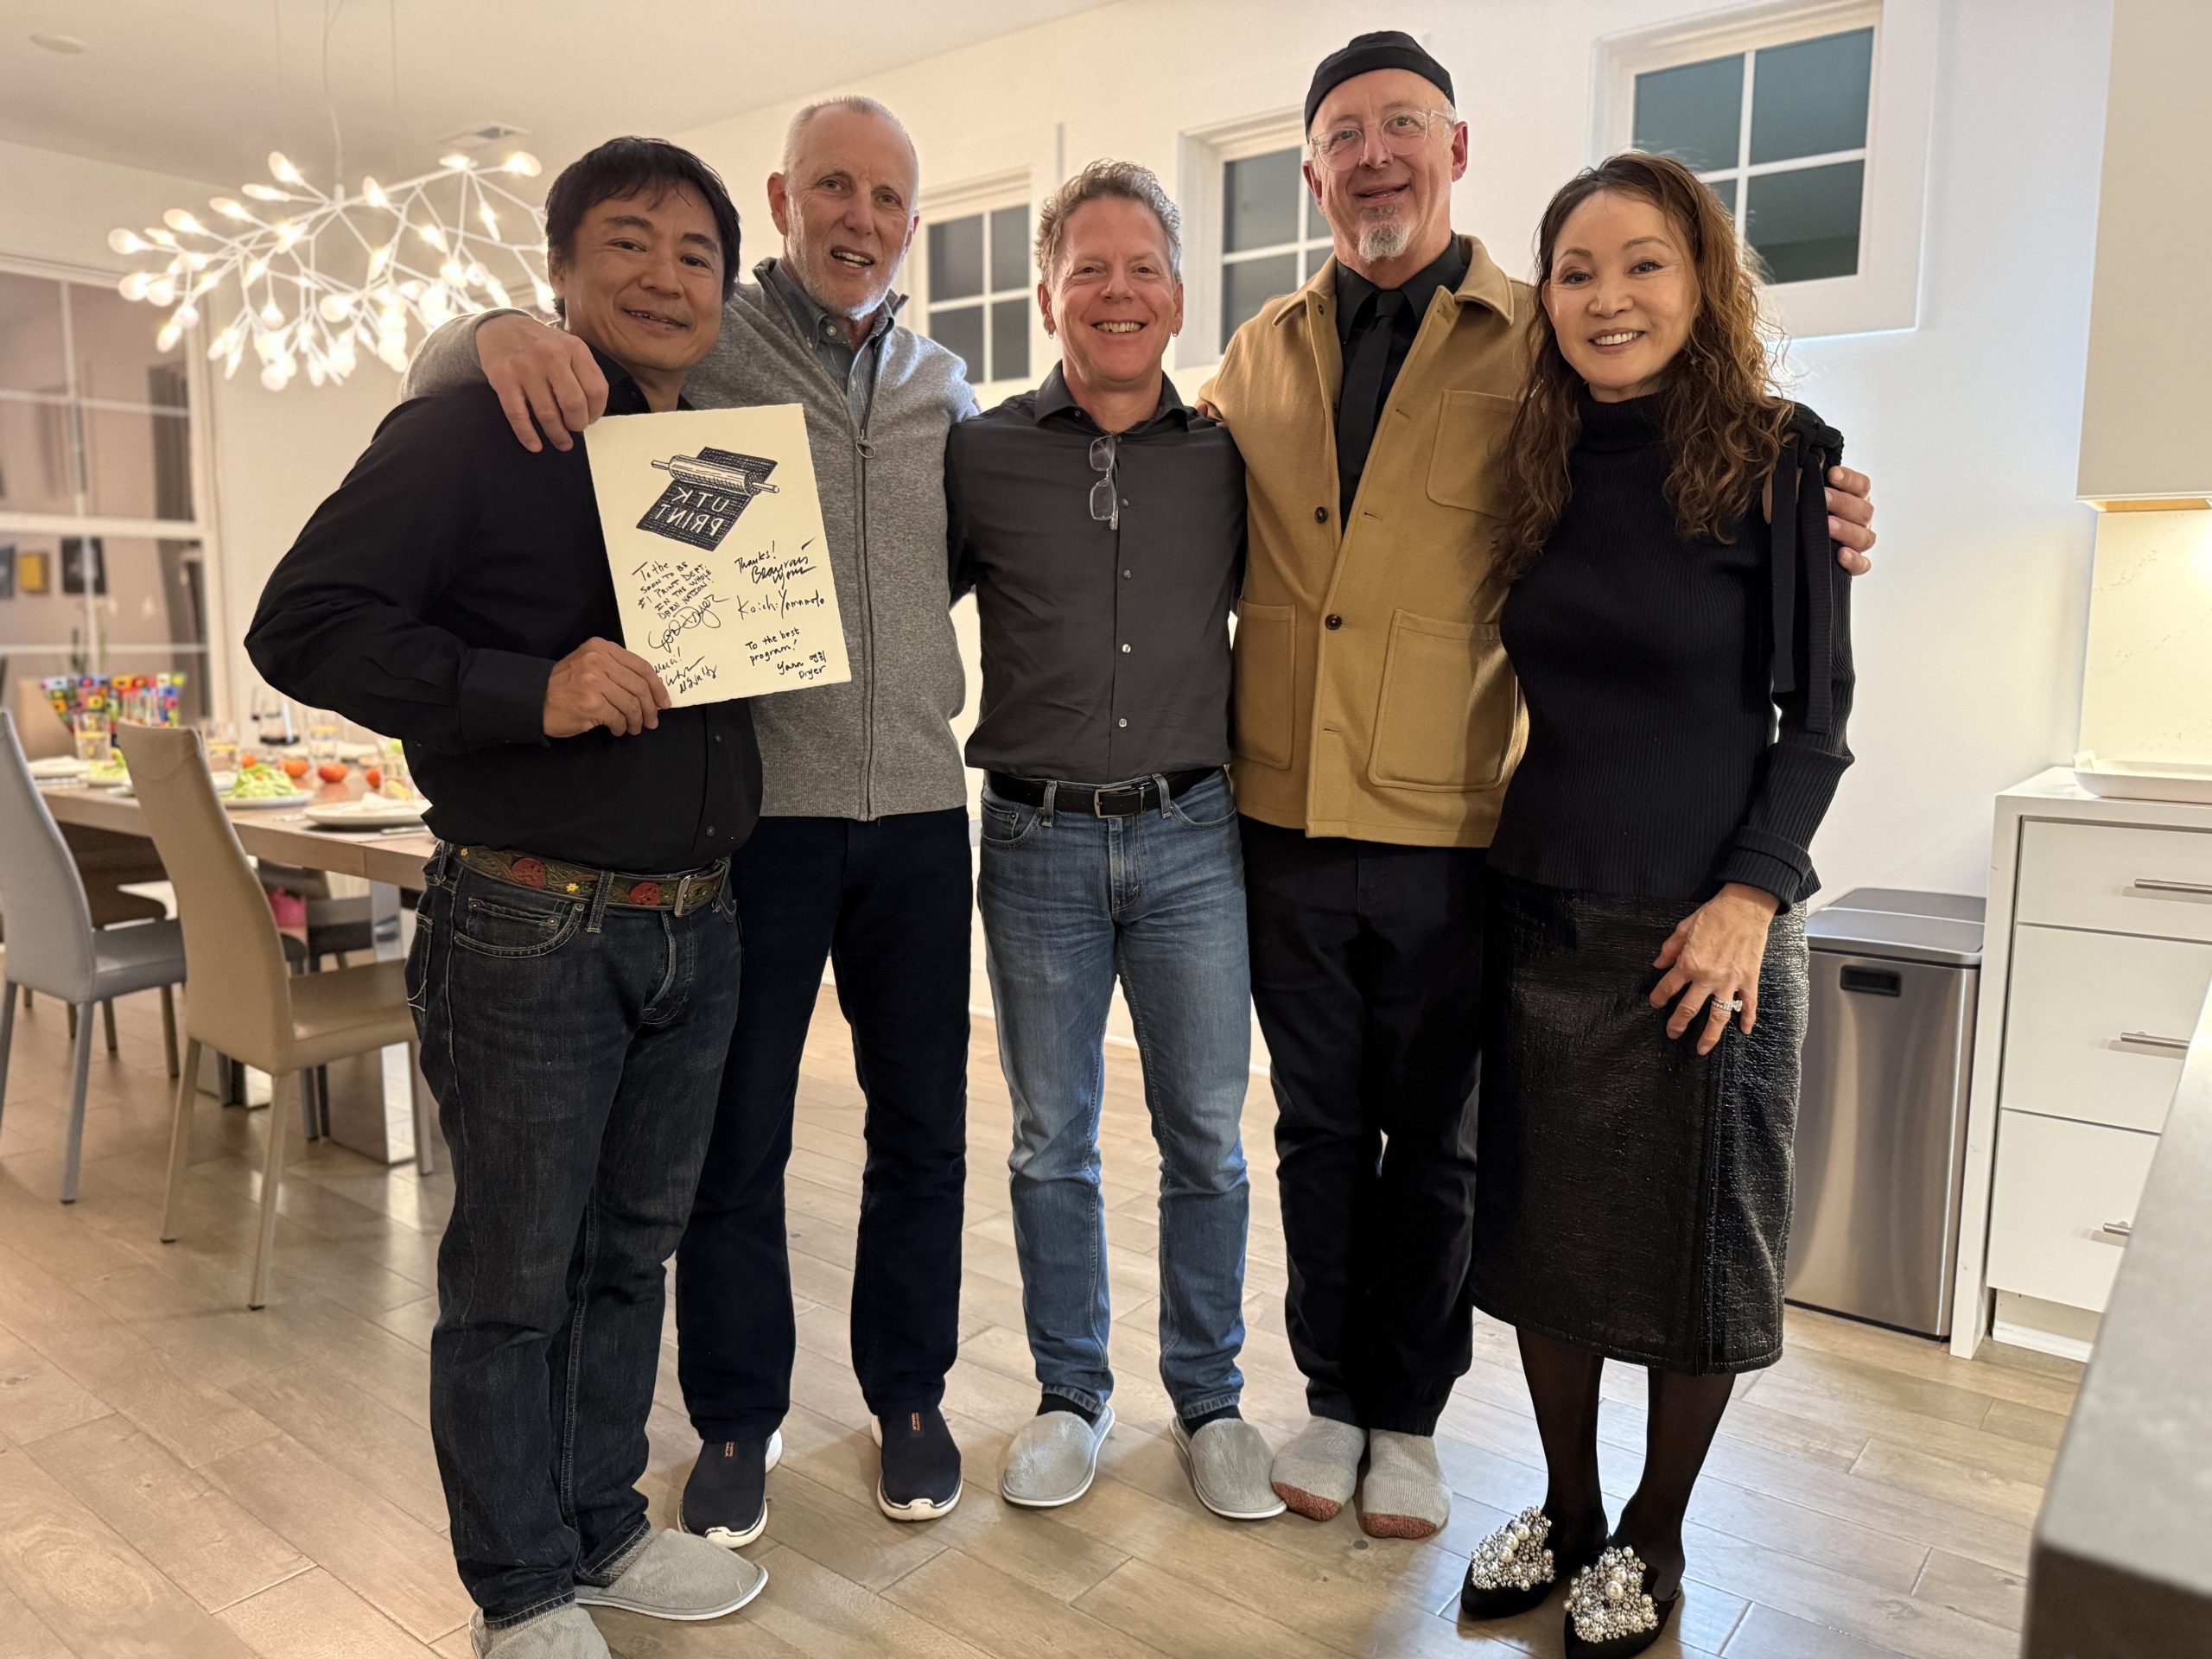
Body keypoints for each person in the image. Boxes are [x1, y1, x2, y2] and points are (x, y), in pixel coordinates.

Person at [1198, 31, 1878, 1541]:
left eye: (1404, 126)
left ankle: (1422, 1423)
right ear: (1312, 168)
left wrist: (1823, 507)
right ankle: (1342, 1397)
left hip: (1464, 827)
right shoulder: (1258, 353)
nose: (1373, 155)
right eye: (1342, 135)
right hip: (1313, 824)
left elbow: (1787, 664)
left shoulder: (1537, 345)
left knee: (1448, 1147)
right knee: (1326, 1133)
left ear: (1455, 149)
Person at [404, 94, 976, 1538]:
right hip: (758, 819)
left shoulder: (946, 388)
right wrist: (489, 328)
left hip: (916, 808)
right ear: (783, 203)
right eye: (833, 188)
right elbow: (475, 369)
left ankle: (911, 1396)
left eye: (889, 198)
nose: (860, 217)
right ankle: (736, 1416)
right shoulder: (704, 336)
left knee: (926, 1131)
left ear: (911, 224)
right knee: (741, 1140)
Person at [247, 137, 766, 1659]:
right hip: (526, 920)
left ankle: (600, 1523)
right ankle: (518, 1584)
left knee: (629, 1252)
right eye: (628, 244)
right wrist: (519, 689)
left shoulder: (717, 456)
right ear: (557, 272)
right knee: (512, 1274)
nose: (665, 277)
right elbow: (304, 626)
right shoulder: (473, 430)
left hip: (700, 916)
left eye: (694, 255)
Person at [1458, 150, 1855, 1657]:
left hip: (1712, 934)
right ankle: (1565, 1503)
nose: (1608, 297)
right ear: (1544, 297)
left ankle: (1657, 1532)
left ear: (1702, 280)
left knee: (1700, 1259)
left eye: (1643, 264)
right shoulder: (1534, 464)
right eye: (1576, 272)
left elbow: (1816, 719)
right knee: (1545, 1245)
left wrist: (1753, 896)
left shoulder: (1788, 456)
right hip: (1545, 909)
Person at [946, 161, 1280, 1522]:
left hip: (1196, 834)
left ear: (1180, 294)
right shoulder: (981, 453)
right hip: (1032, 843)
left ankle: (1210, 1401)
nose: (1119, 290)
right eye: (1091, 267)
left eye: (1143, 266)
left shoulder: (1229, 458)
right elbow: (881, 591)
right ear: (1049, 294)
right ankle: (1073, 1393)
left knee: (1207, 1134)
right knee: (1051, 1138)